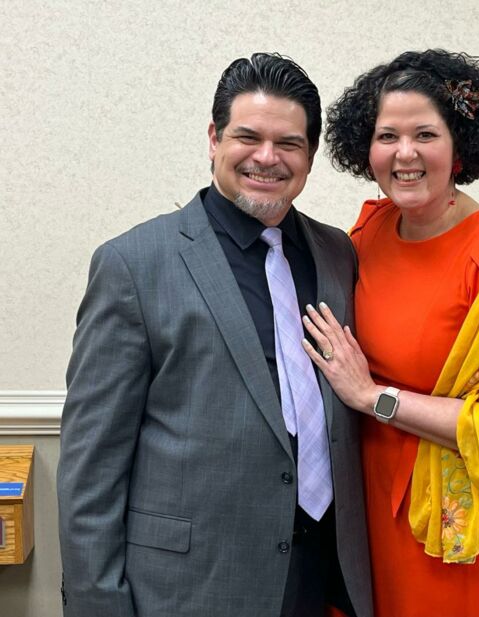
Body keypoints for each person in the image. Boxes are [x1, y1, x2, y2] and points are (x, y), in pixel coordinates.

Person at [57, 53, 373, 617]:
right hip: (191, 587)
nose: (267, 157)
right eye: (248, 137)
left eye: (288, 143)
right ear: (213, 139)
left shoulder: (337, 253)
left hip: (320, 579)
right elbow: (91, 468)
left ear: (309, 154)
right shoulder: (134, 264)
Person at [301, 49, 479, 617]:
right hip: (358, 499)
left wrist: (372, 397)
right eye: (387, 136)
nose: (405, 153)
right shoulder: (366, 234)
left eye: (425, 134)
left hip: (446, 520)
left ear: (459, 146)